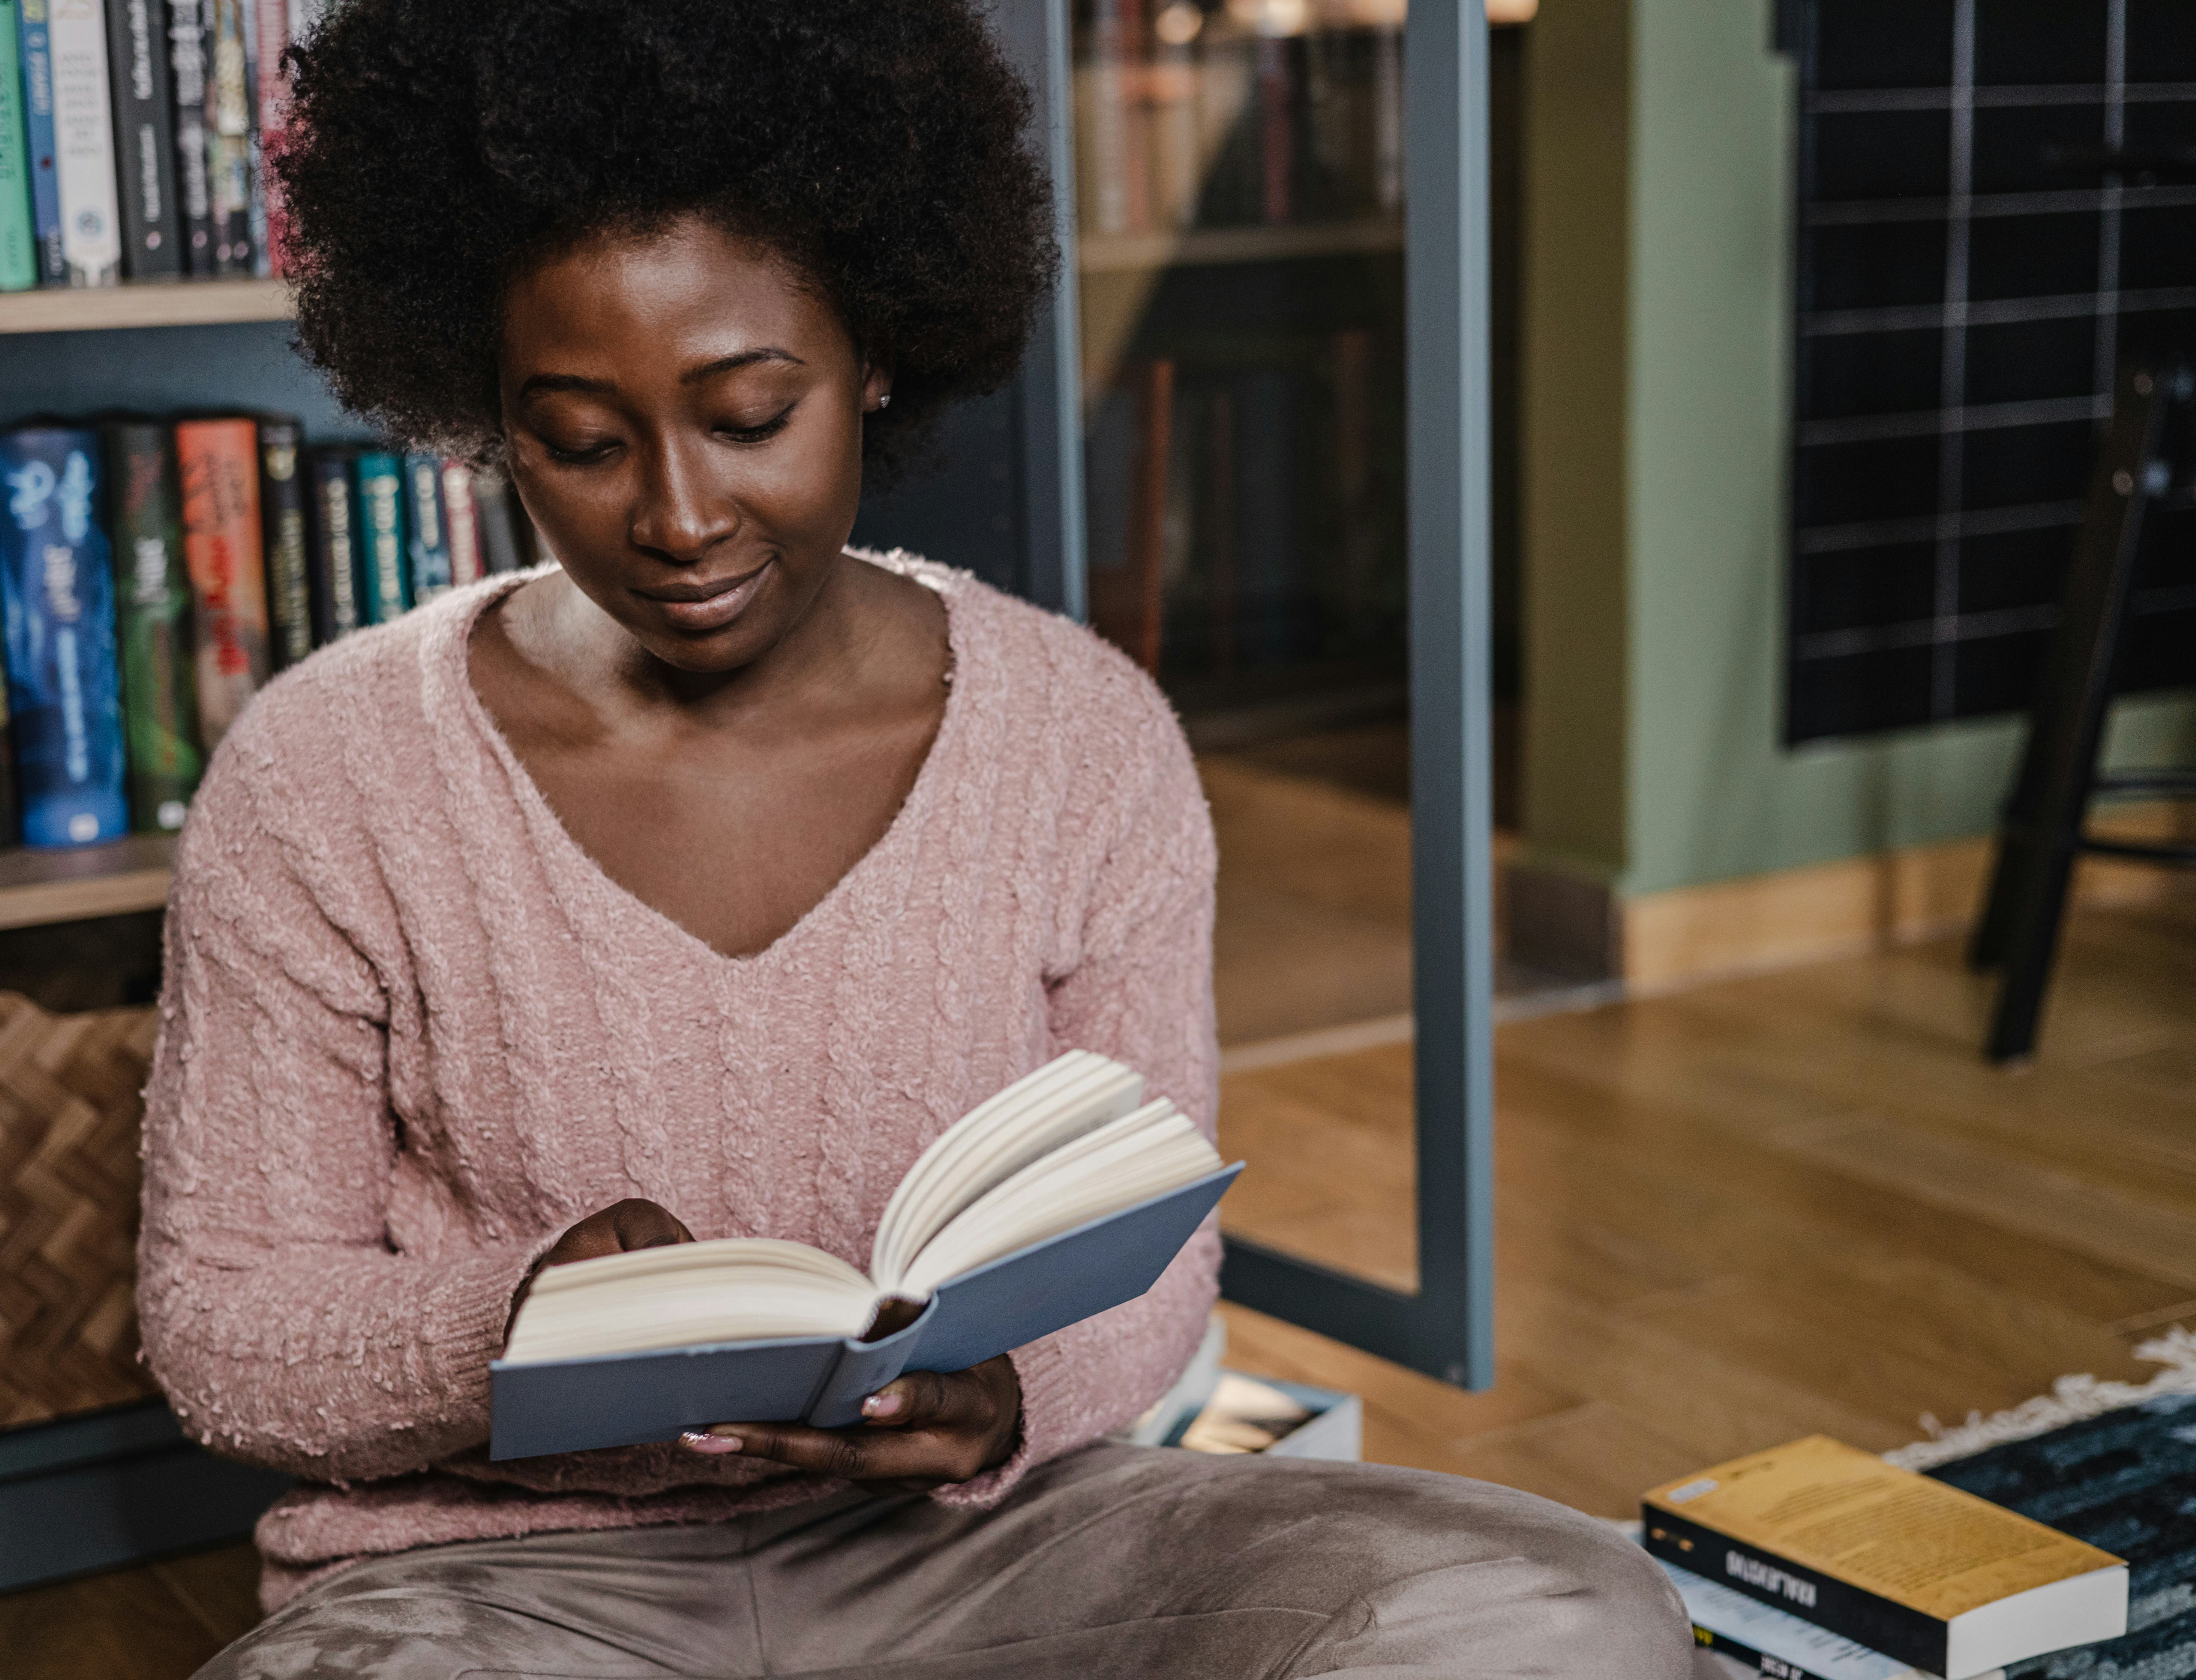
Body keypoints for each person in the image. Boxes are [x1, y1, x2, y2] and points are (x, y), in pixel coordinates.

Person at [142, 2, 1692, 1673]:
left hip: (992, 1553)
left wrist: (1000, 1398)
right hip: (507, 1588)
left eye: (749, 415)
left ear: (873, 352)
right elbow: (225, 1330)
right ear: (481, 400)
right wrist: (504, 1326)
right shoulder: (328, 774)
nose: (675, 516)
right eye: (581, 442)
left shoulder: (1083, 740)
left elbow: (1160, 1252)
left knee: (1567, 1611)